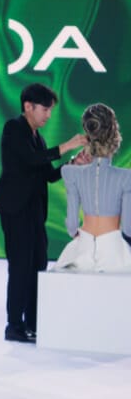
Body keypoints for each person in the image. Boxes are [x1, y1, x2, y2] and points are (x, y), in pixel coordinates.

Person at [0, 83, 87, 343]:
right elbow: (31, 160)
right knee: (21, 266)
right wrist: (66, 146)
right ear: (28, 106)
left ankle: (32, 322)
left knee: (38, 264)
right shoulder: (14, 128)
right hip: (15, 209)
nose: (48, 115)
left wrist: (72, 164)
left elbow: (48, 175)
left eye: (50, 110)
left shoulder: (38, 138)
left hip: (34, 210)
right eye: (45, 109)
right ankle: (14, 325)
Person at [53, 103, 131, 272]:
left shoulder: (70, 173)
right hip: (114, 253)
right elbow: (128, 228)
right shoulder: (127, 177)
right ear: (114, 134)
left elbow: (72, 226)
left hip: (82, 250)